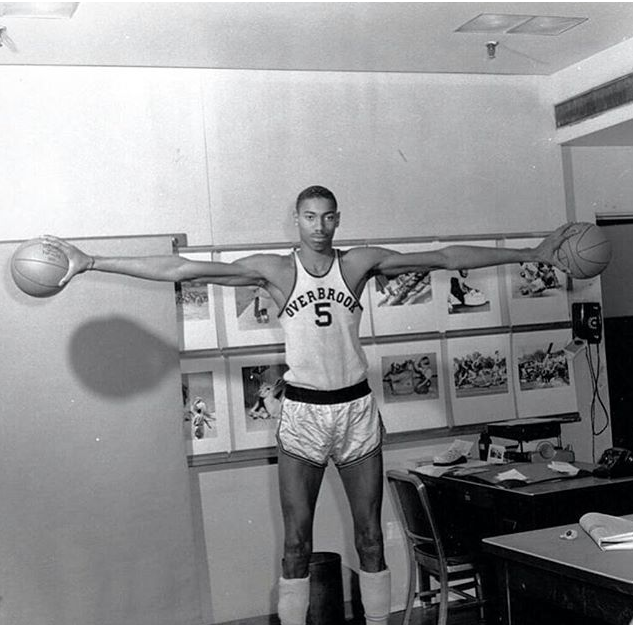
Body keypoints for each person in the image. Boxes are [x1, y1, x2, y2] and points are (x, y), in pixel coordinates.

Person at [44, 186, 575, 625]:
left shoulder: (361, 263)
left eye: (326, 217)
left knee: (370, 536)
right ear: (296, 221)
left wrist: (533, 254)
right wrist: (92, 261)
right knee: (296, 541)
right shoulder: (275, 270)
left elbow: (443, 258)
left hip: (356, 411)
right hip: (302, 414)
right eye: (309, 217)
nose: (318, 226)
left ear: (337, 220)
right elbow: (182, 268)